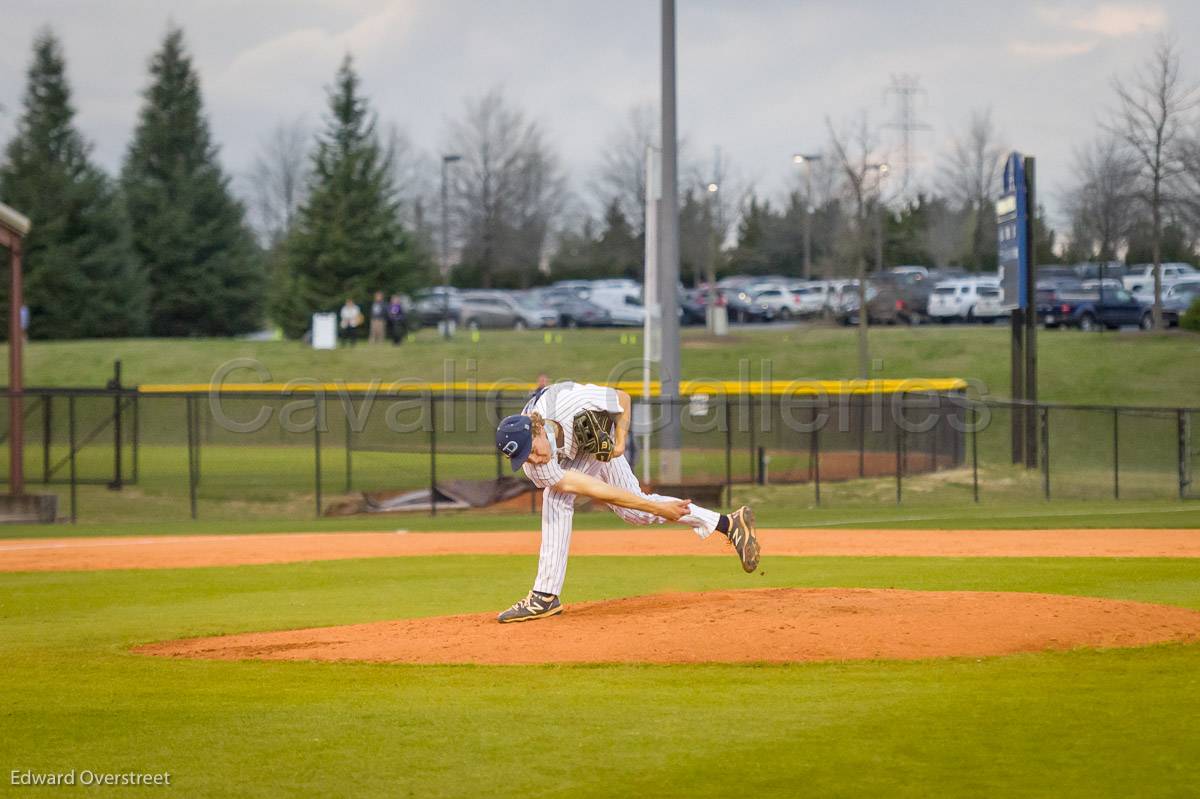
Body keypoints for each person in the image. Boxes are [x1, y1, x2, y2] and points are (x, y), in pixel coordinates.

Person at [494, 381, 759, 623]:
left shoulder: (573, 403)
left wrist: (619, 444)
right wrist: (656, 507)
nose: (534, 460)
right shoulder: (535, 466)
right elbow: (595, 489)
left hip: (593, 437)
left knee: (559, 498)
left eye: (532, 451)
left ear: (538, 428)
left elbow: (622, 399)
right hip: (584, 447)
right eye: (525, 459)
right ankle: (728, 523)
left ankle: (544, 595)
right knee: (622, 509)